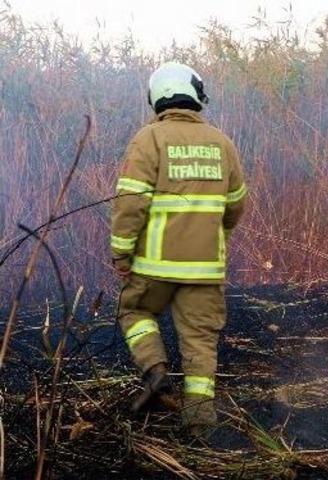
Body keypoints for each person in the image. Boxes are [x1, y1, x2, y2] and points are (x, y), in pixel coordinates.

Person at [110, 61, 247, 438]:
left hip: (153, 266)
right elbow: (236, 204)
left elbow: (130, 202)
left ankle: (155, 370)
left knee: (134, 309)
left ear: (157, 97)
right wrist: (218, 235)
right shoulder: (222, 143)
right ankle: (200, 422)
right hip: (204, 268)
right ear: (196, 96)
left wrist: (122, 252)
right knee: (201, 339)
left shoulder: (148, 139)